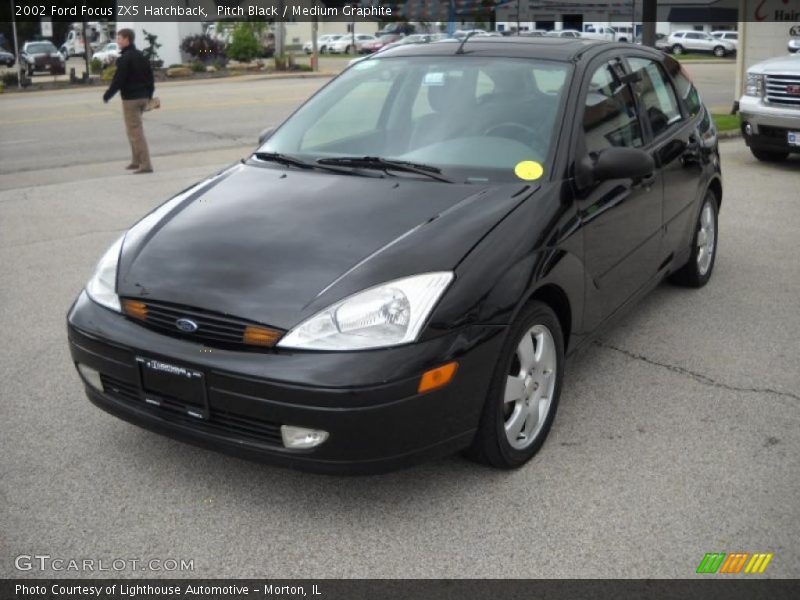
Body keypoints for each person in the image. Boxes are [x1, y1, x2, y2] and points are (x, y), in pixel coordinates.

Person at [102, 29, 155, 174]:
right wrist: (150, 95)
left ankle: (145, 164)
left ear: (127, 39)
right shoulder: (141, 56)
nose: (118, 41)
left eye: (119, 38)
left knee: (135, 132)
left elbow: (119, 80)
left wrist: (108, 94)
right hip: (143, 97)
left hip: (131, 100)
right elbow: (150, 77)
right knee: (132, 130)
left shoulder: (125, 59)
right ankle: (136, 161)